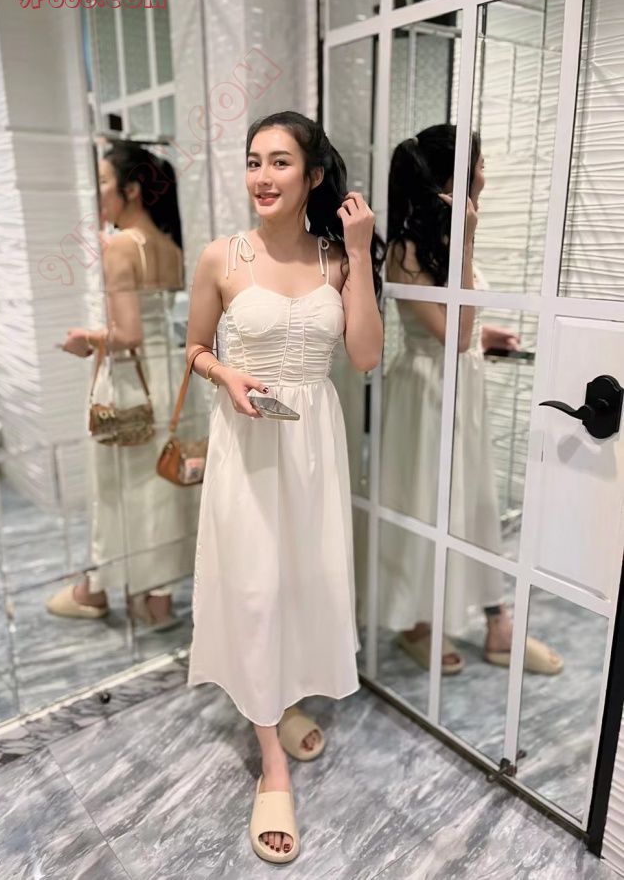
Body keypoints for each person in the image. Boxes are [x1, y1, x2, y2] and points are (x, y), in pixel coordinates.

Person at [184, 111, 384, 864]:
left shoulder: (337, 259)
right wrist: (225, 373)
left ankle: (281, 697)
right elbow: (193, 347)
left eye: (279, 162)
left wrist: (359, 253)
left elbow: (364, 355)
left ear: (313, 175)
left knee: (301, 584)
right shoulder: (222, 257)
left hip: (314, 450)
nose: (261, 177)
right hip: (249, 446)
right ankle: (270, 760)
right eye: (253, 161)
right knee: (256, 590)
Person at [377, 124, 563, 676]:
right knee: (426, 501)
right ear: (453, 177)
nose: (485, 173)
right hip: (426, 393)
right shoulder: (407, 251)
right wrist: (467, 241)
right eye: (479, 164)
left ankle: (495, 619)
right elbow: (453, 335)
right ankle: (415, 622)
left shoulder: (437, 241)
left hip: (461, 386)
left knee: (475, 501)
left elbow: (461, 331)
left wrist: (486, 335)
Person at [47, 141, 206, 628]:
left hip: (132, 382)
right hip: (170, 379)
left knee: (117, 488)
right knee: (161, 487)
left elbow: (129, 334)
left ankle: (97, 589)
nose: (96, 193)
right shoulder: (171, 247)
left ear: (131, 189)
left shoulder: (119, 246)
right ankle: (156, 598)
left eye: (102, 182)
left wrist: (86, 338)